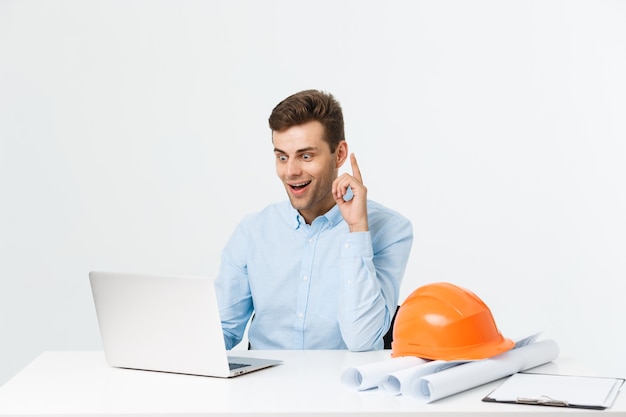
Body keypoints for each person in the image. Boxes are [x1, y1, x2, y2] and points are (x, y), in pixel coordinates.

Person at [215, 89, 413, 351]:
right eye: (282, 157)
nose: (291, 172)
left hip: (342, 388)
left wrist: (356, 230)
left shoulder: (391, 229)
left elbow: (362, 339)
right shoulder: (252, 231)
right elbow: (221, 332)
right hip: (261, 386)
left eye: (306, 156)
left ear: (339, 154)